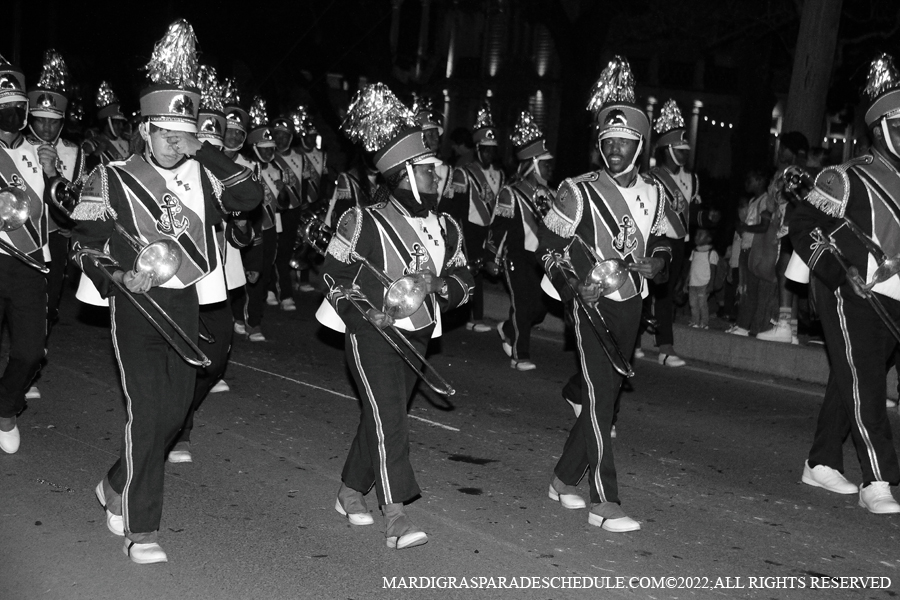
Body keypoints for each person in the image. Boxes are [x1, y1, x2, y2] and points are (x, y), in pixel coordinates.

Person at [70, 20, 262, 563]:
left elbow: (250, 198)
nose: (174, 141)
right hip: (135, 303)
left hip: (187, 302)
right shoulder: (110, 177)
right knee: (147, 415)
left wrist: (208, 150)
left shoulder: (207, 173)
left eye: (184, 131)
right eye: (165, 131)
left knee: (175, 417)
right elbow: (83, 246)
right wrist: (117, 276)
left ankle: (114, 486)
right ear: (145, 130)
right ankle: (142, 529)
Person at [319, 83, 473, 549]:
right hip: (370, 332)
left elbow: (465, 279)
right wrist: (364, 313)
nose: (437, 179)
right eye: (429, 173)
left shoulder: (447, 226)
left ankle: (349, 490)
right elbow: (333, 278)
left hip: (420, 330)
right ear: (405, 174)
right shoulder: (361, 221)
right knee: (392, 419)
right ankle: (396, 513)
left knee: (383, 418)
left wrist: (439, 285)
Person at [540, 57, 670, 532]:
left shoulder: (656, 192)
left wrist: (660, 261)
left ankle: (561, 479)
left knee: (608, 395)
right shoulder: (576, 191)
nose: (614, 149)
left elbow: (663, 241)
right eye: (607, 142)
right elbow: (550, 251)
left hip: (632, 298)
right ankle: (605, 500)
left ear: (639, 145)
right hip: (590, 299)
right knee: (597, 395)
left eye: (624, 142)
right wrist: (573, 285)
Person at [788, 53, 900, 515]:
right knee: (868, 380)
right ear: (880, 129)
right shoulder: (846, 176)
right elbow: (802, 223)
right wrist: (838, 274)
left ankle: (820, 460)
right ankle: (878, 478)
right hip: (849, 291)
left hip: (894, 297)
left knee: (851, 376)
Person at [168, 65, 252, 463]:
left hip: (214, 273)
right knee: (179, 355)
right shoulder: (168, 169)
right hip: (174, 273)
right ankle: (176, 428)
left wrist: (242, 231)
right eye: (200, 141)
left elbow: (246, 209)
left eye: (213, 145)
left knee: (216, 359)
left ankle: (178, 415)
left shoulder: (222, 172)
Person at [24, 50, 85, 402]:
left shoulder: (74, 153)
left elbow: (74, 204)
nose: (46, 127)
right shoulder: (14, 147)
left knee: (48, 305)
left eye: (53, 121)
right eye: (40, 119)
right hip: (20, 237)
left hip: (55, 238)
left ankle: (31, 368)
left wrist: (54, 173)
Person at [0, 55, 50, 455]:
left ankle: (5, 404)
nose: (12, 115)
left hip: (31, 262)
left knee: (32, 350)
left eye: (18, 109)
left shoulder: (41, 153)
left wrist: (53, 177)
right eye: (4, 109)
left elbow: (64, 210)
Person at [488, 110, 553, 371]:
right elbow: (499, 228)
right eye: (546, 164)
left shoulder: (551, 193)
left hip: (540, 259)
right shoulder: (510, 193)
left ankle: (506, 328)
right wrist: (493, 258)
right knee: (522, 305)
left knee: (539, 308)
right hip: (515, 255)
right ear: (533, 165)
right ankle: (520, 355)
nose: (550, 168)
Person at [441, 101, 505, 332]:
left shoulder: (500, 174)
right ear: (478, 149)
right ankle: (474, 317)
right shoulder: (464, 173)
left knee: (481, 269)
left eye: (492, 150)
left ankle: (470, 315)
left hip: (488, 229)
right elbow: (453, 206)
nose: (489, 154)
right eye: (485, 149)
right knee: (472, 270)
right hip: (468, 228)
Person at [646, 99, 702, 366]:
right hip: (656, 241)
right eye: (679, 149)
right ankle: (665, 348)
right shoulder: (650, 178)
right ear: (667, 150)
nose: (684, 154)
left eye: (685, 149)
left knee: (665, 292)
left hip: (680, 243)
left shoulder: (692, 179)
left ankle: (659, 344)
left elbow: (692, 213)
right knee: (653, 292)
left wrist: (707, 218)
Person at [757, 131, 809, 344]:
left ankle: (784, 325)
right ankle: (792, 330)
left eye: (783, 148)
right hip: (797, 225)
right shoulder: (801, 170)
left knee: (784, 271)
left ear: (792, 150)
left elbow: (791, 198)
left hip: (793, 225)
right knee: (793, 277)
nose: (779, 152)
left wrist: (787, 224)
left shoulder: (795, 172)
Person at [236, 96, 280, 342]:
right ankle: (237, 315)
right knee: (240, 273)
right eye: (264, 149)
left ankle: (254, 321)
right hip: (246, 227)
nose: (270, 152)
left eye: (272, 148)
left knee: (261, 274)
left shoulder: (277, 170)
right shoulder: (240, 165)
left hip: (269, 227)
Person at [726, 170, 776, 336]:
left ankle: (744, 326)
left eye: (750, 178)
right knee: (744, 287)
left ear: (760, 179)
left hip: (755, 248)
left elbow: (764, 226)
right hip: (745, 247)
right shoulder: (754, 200)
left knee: (750, 288)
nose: (747, 181)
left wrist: (744, 227)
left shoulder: (764, 201)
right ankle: (742, 323)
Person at [83, 81, 130, 165]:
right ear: (107, 124)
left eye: (121, 123)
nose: (121, 126)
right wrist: (96, 154)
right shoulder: (92, 145)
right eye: (117, 123)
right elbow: (82, 168)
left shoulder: (126, 143)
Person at [686, 228, 718, 329]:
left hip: (704, 283)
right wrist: (686, 281)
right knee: (693, 304)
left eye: (700, 235)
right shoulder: (694, 251)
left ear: (708, 239)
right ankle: (695, 321)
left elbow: (713, 270)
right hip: (693, 283)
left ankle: (704, 322)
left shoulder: (711, 253)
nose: (696, 237)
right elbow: (691, 267)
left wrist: (711, 284)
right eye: (696, 234)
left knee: (702, 304)